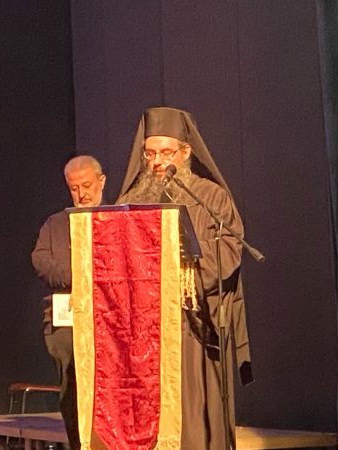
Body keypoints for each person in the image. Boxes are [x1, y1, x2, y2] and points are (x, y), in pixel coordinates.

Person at [117, 106, 253, 449]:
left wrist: (181, 276)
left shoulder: (210, 197)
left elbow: (228, 254)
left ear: (186, 152)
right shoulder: (132, 200)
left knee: (192, 422)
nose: (157, 162)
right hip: (143, 333)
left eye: (166, 153)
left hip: (192, 325)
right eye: (150, 154)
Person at [32, 155, 106, 450]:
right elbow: (40, 261)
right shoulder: (55, 223)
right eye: (74, 188)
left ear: (101, 182)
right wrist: (78, 273)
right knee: (72, 388)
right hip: (67, 320)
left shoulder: (114, 220)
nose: (81, 194)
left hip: (108, 320)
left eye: (86, 185)